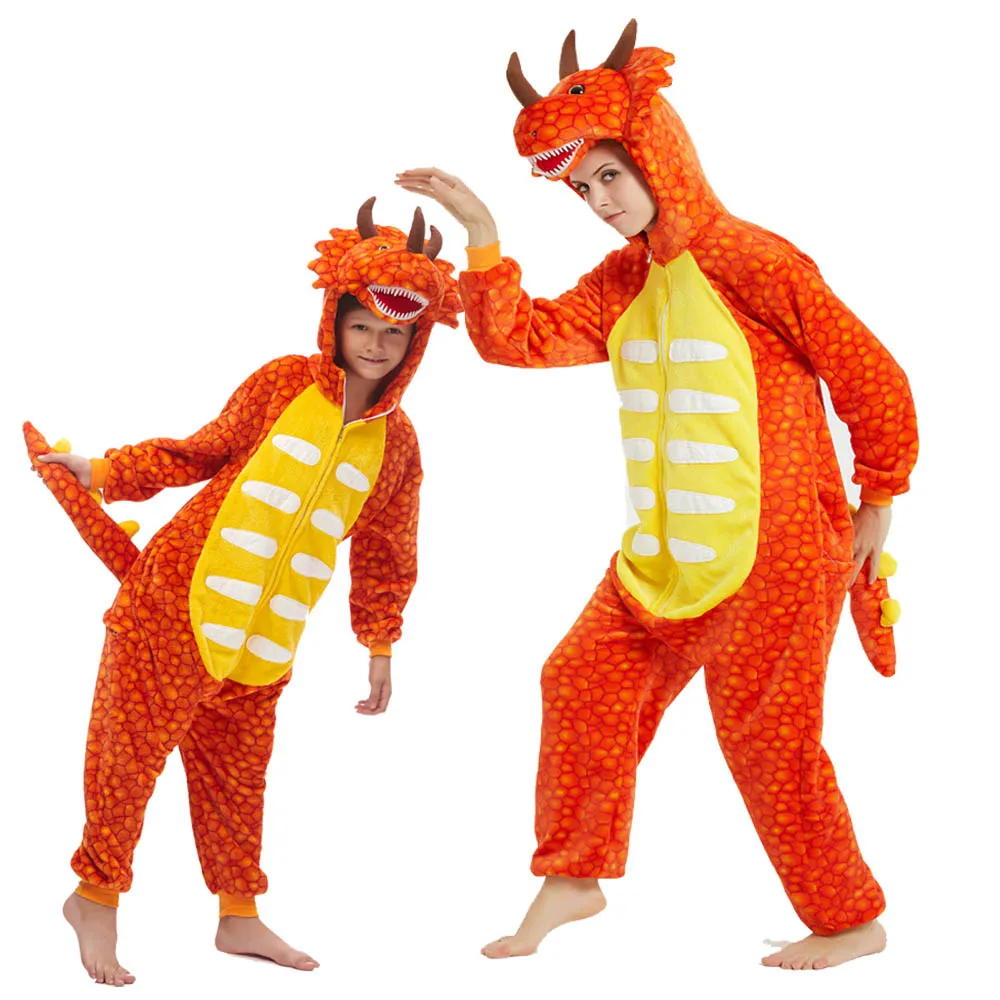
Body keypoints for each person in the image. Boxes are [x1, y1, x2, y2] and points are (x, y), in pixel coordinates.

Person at [396, 19, 917, 972]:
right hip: (660, 561)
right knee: (579, 680)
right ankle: (575, 876)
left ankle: (849, 921)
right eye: (583, 188)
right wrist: (481, 235)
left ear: (656, 155)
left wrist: (878, 498)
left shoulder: (756, 261)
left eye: (610, 176)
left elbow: (869, 373)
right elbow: (519, 340)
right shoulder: (621, 279)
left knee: (768, 744)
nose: (599, 202)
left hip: (776, 560)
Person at [30, 197, 462, 986]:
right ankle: (94, 896)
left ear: (416, 342)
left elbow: (387, 551)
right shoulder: (282, 383)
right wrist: (104, 471)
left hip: (266, 642)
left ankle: (239, 916)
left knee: (238, 778)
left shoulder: (397, 446)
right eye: (361, 326)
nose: (375, 344)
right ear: (335, 322)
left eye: (393, 333)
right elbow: (200, 452)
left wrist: (380, 644)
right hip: (174, 607)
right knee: (128, 758)